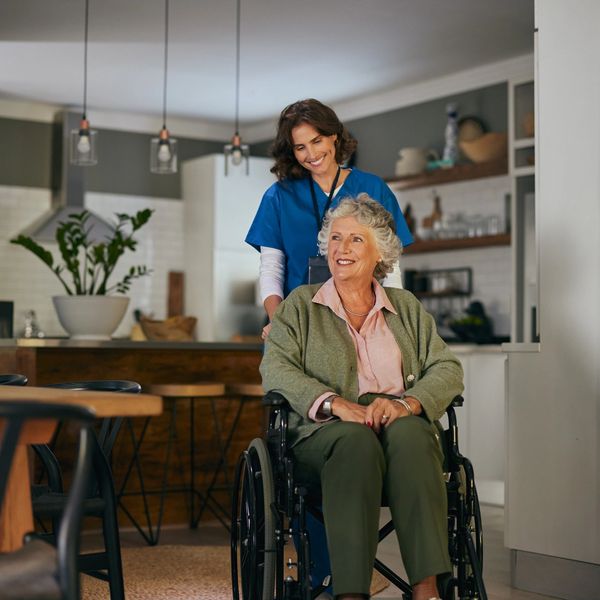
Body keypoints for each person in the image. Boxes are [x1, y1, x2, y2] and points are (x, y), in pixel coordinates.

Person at [261, 196, 463, 600]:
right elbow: (276, 369)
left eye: (356, 239)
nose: (342, 248)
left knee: (413, 435)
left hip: (398, 423)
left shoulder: (405, 307)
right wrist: (334, 403)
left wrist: (408, 403)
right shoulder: (301, 305)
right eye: (336, 238)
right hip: (325, 433)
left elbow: (448, 368)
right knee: (353, 441)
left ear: (379, 253)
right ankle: (351, 592)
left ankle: (426, 590)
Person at [245, 98, 414, 339]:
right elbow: (272, 268)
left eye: (317, 141)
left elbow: (389, 265)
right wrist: (280, 322)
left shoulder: (373, 188)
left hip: (363, 323)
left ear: (334, 135)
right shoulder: (278, 197)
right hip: (300, 323)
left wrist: (392, 322)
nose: (311, 154)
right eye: (300, 147)